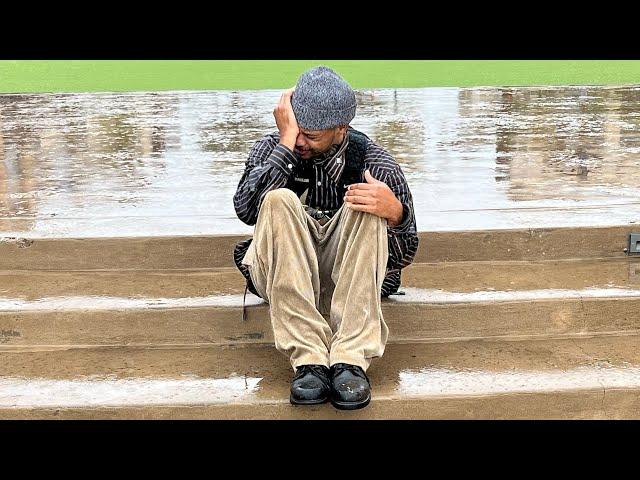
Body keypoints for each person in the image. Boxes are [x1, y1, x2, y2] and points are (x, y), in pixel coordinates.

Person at [232, 66, 419, 410]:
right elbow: (245, 210)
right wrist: (285, 145)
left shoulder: (376, 163)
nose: (300, 141)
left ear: (340, 129)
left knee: (366, 202)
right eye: (294, 131)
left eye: (311, 135)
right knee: (277, 199)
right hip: (280, 272)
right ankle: (309, 361)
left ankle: (350, 360)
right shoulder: (274, 149)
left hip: (346, 278)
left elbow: (404, 255)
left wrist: (396, 214)